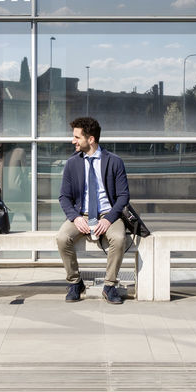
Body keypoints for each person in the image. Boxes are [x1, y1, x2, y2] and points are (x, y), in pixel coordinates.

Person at [56, 116, 129, 305]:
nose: (73, 141)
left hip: (108, 213)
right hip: (81, 213)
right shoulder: (72, 163)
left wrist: (109, 219)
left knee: (119, 239)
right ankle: (75, 282)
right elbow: (64, 197)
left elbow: (123, 196)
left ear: (91, 139)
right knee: (62, 238)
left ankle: (110, 286)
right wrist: (75, 217)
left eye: (76, 137)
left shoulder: (114, 162)